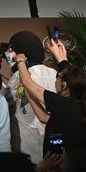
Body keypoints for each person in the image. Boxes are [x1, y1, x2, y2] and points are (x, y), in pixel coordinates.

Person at [13, 44, 86, 157]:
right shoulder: (77, 104)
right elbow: (44, 117)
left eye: (58, 76)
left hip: (59, 167)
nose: (55, 80)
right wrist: (27, 89)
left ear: (64, 85)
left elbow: (28, 82)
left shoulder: (61, 103)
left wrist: (20, 61)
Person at [6, 30, 57, 163]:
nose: (8, 54)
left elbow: (4, 101)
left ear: (21, 53)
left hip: (25, 148)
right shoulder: (54, 73)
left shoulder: (20, 76)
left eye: (11, 49)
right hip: (49, 146)